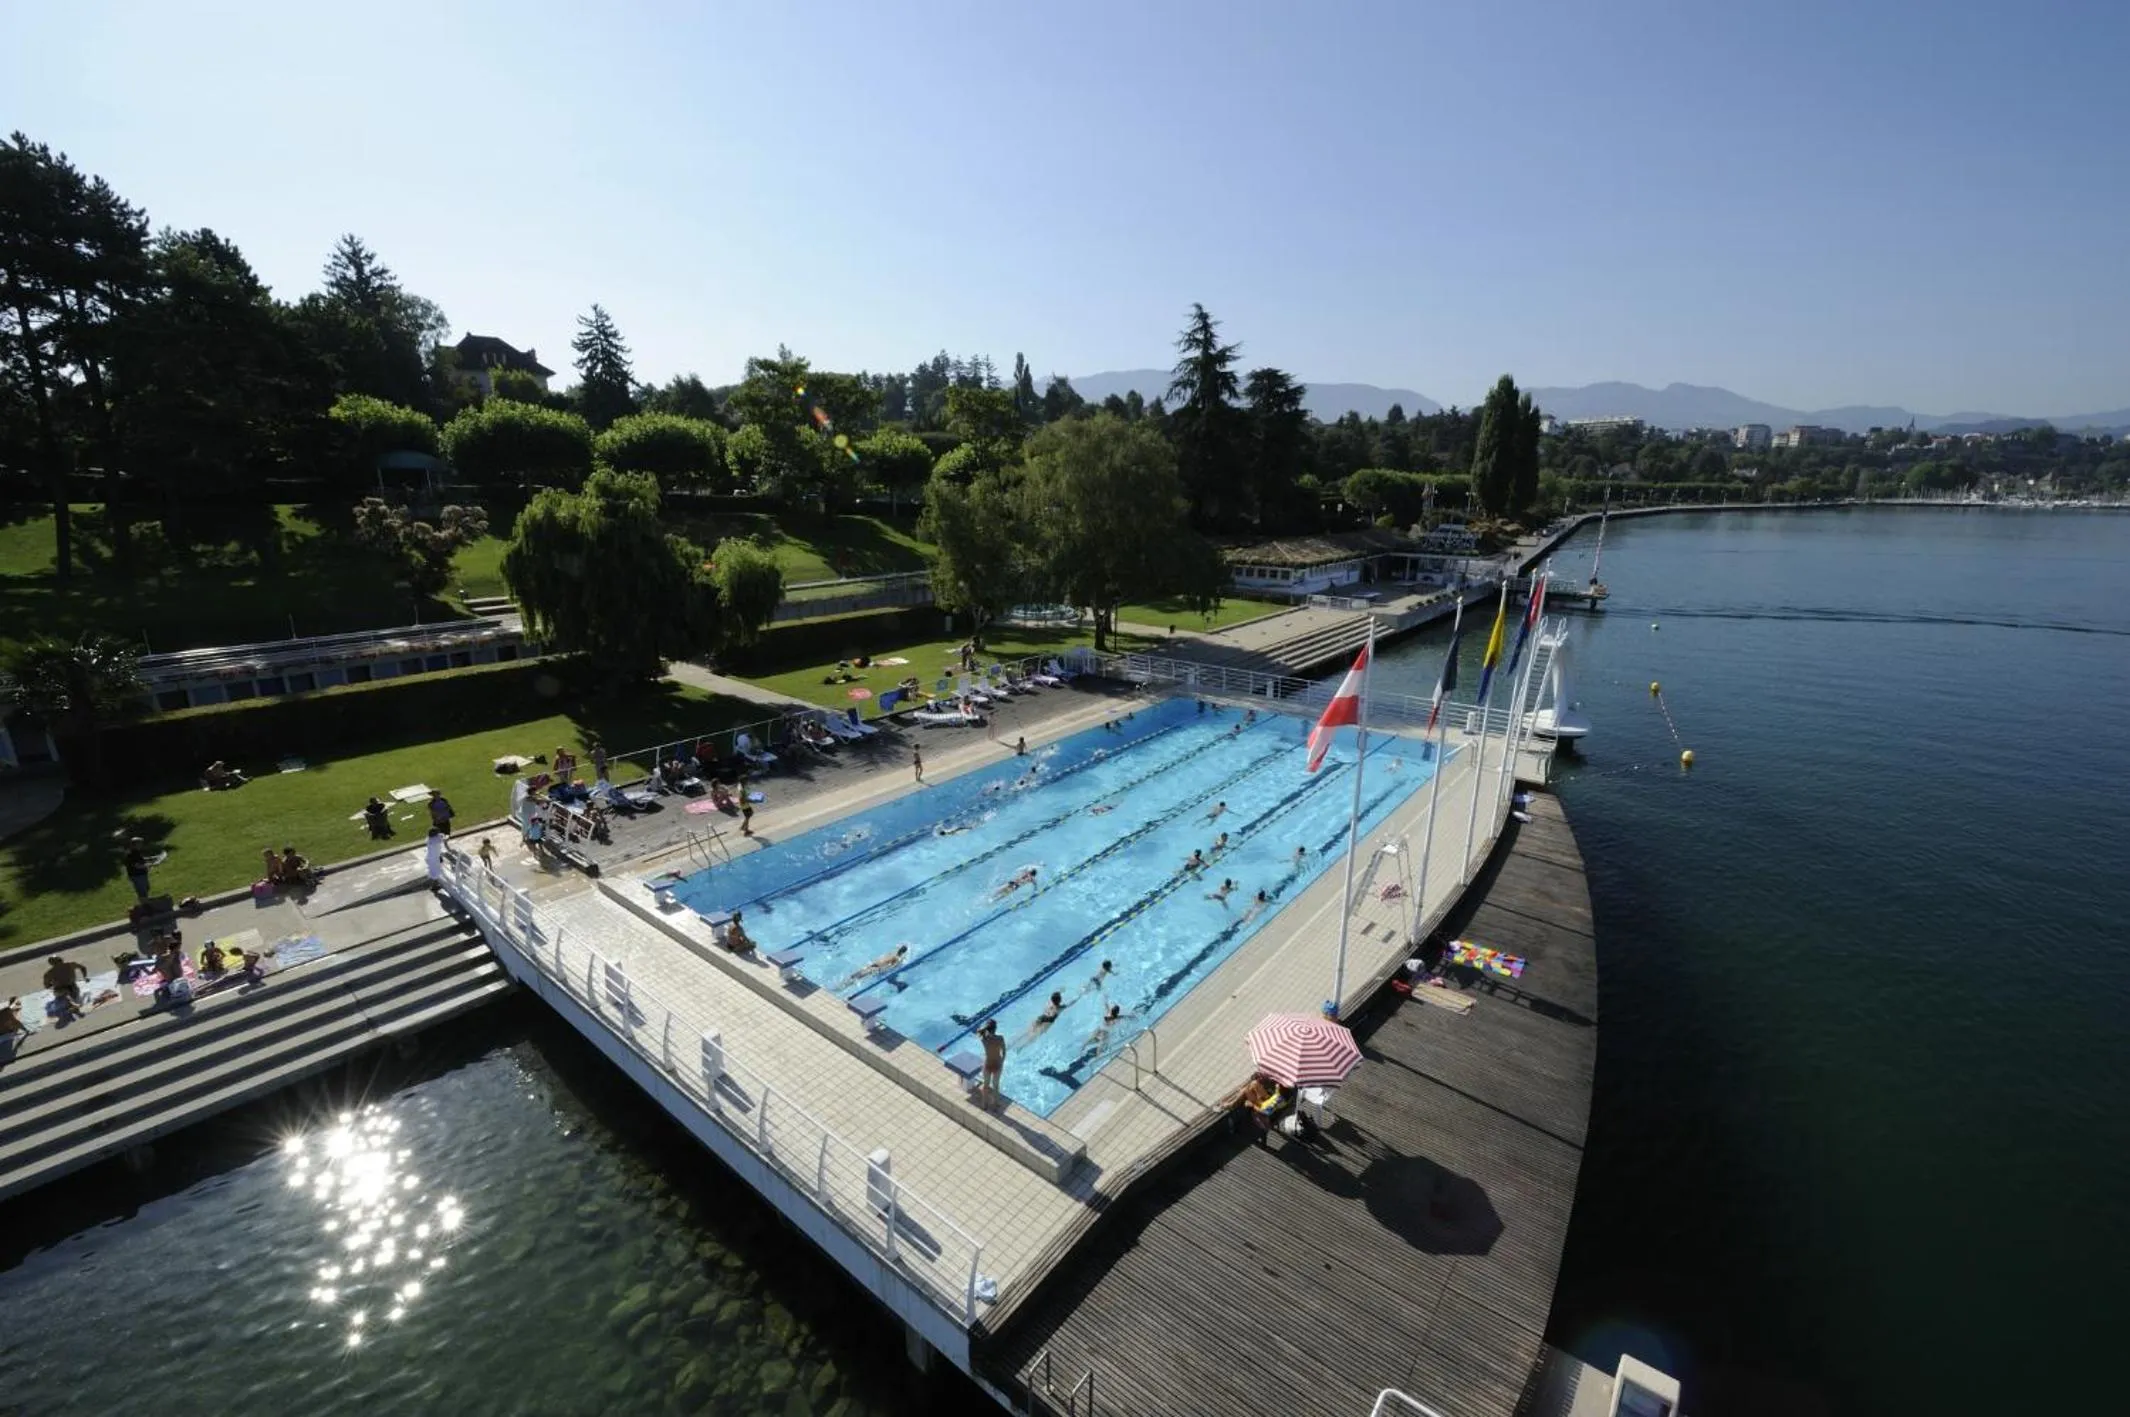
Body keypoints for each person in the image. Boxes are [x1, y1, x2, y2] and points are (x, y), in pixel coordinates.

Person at [843, 944, 909, 987]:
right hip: (876, 968)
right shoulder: (897, 957)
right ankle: (844, 985)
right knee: (857, 977)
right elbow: (890, 966)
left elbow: (887, 963)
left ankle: (843, 985)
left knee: (856, 976)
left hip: (874, 966)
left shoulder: (894, 954)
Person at [978, 1020, 1006, 1109]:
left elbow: (978, 1031)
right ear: (996, 1028)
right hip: (997, 1064)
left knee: (986, 1085)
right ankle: (995, 1105)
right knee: (996, 1086)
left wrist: (984, 1029)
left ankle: (984, 1104)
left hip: (988, 1064)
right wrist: (1002, 1060)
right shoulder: (1000, 1038)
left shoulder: (984, 1039)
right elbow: (1004, 1052)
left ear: (987, 1029)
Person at [123, 837, 152, 902]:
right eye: (140, 843)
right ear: (135, 844)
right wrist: (147, 865)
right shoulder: (132, 854)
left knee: (146, 889)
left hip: (140, 875)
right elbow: (137, 866)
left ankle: (147, 904)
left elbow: (139, 861)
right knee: (142, 892)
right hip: (137, 876)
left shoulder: (136, 852)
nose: (141, 845)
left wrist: (146, 862)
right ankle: (145, 907)